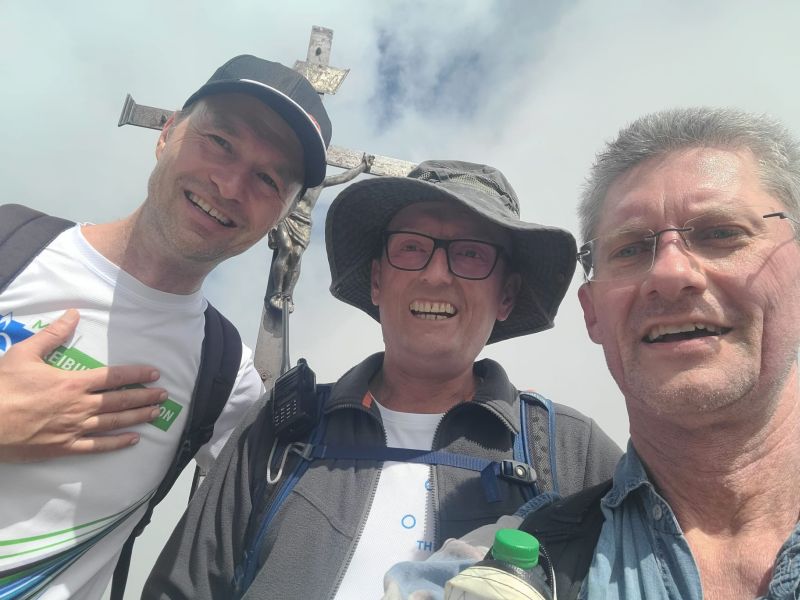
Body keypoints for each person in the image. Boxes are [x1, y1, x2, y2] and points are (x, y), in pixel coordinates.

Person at [143, 159, 622, 599]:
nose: (436, 275)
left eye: (472, 254)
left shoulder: (569, 453)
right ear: (377, 279)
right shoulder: (283, 430)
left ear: (507, 295)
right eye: (411, 247)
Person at [385, 107, 800, 600]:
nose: (670, 273)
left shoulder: (566, 440)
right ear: (592, 312)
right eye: (630, 248)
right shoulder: (508, 568)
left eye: (721, 233)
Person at [0, 54, 331, 599]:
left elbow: (294, 523)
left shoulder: (226, 379)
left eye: (268, 179)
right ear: (167, 133)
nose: (230, 185)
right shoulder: (13, 243)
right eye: (220, 141)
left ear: (283, 216)